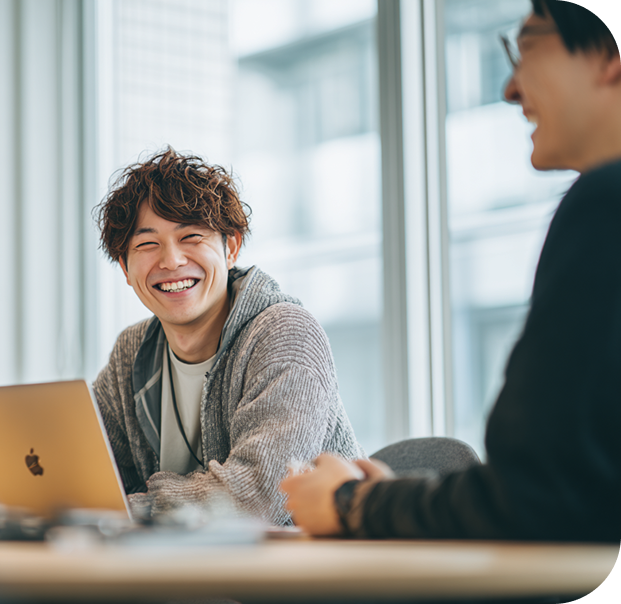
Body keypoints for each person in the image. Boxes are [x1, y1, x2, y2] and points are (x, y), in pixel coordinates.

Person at [281, 0, 621, 542]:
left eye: (526, 45)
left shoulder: (604, 206)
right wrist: (390, 498)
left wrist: (354, 501)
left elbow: (543, 498)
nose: (510, 87)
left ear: (608, 55)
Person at [93, 147, 363, 524]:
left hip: (303, 573)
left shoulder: (285, 334)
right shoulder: (133, 351)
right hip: (183, 574)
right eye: (147, 244)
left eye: (191, 236)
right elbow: (88, 479)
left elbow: (258, 497)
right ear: (124, 266)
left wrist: (129, 507)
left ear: (231, 246)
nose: (171, 261)